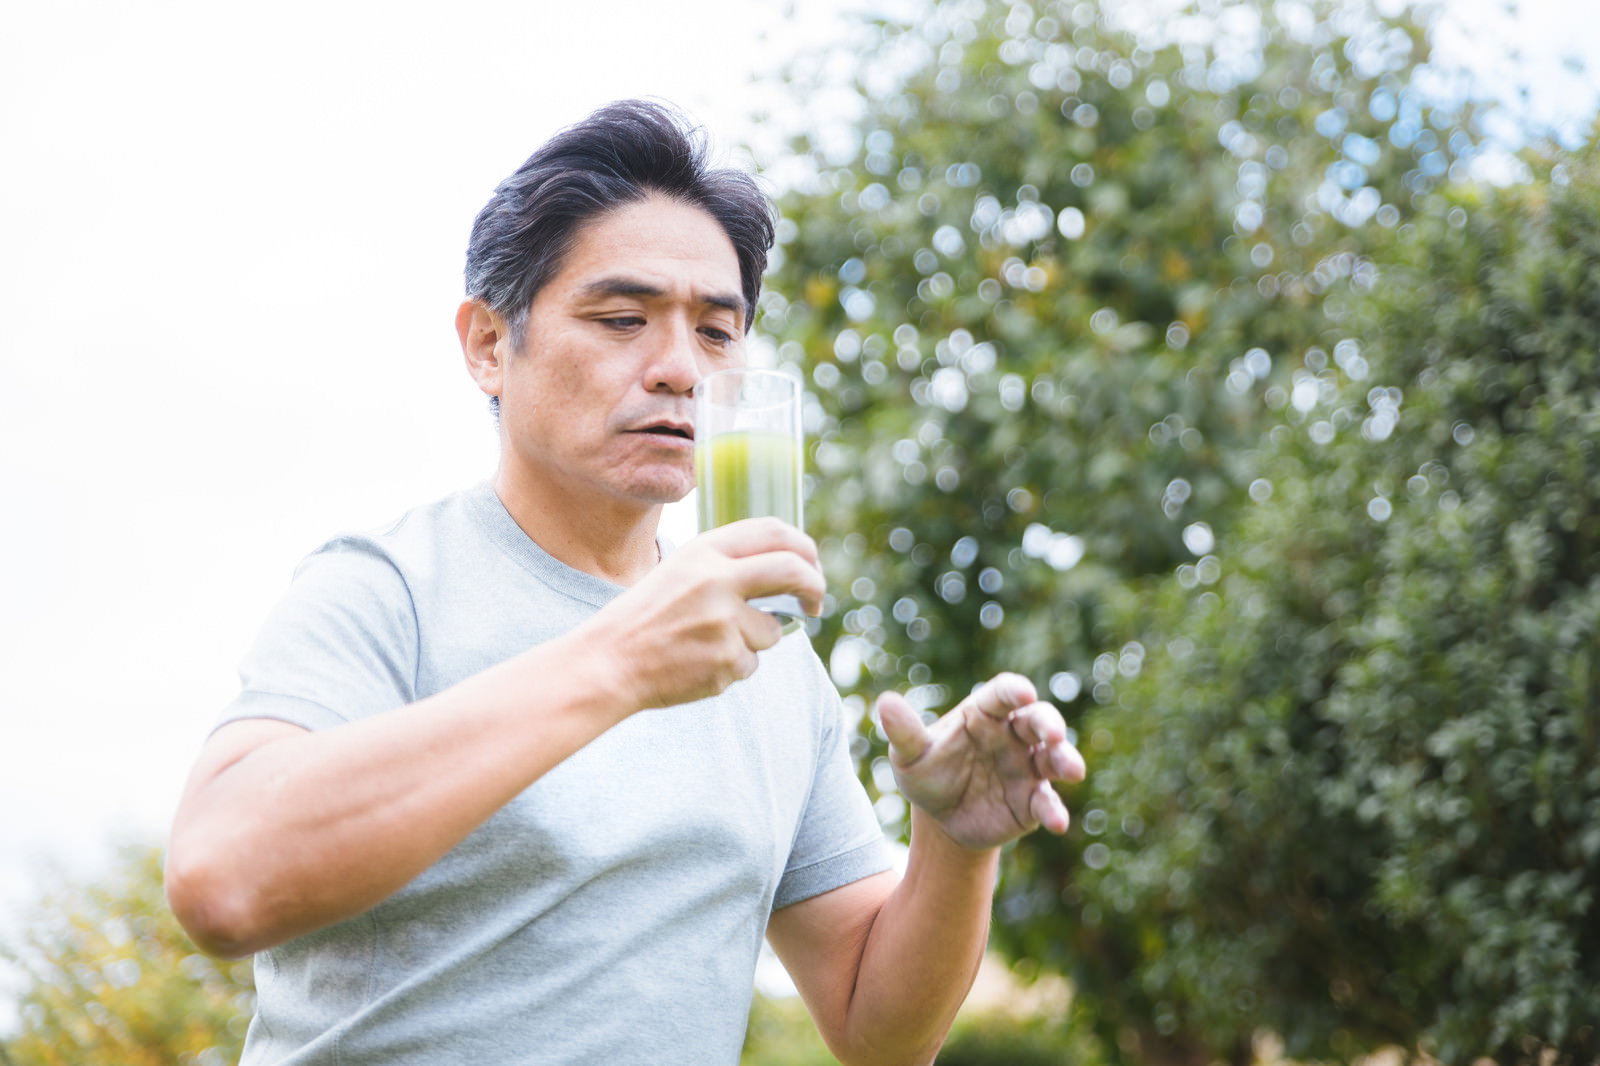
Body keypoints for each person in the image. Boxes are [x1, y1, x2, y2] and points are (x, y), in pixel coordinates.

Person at [165, 99, 1085, 1066]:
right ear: (488, 345)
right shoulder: (386, 588)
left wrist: (954, 847)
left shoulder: (767, 649)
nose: (680, 368)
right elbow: (222, 883)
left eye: (717, 333)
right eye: (622, 319)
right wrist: (624, 659)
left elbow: (879, 1034)